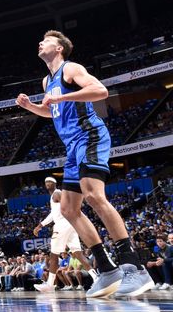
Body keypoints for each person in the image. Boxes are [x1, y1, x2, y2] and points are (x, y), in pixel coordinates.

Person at [15, 30, 154, 298]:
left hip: (89, 135)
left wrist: (62, 98)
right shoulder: (47, 81)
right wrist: (31, 106)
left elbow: (100, 91)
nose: (40, 42)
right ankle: (107, 268)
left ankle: (134, 268)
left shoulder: (71, 68)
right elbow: (51, 111)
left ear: (59, 49)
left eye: (47, 40)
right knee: (67, 208)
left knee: (93, 196)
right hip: (72, 147)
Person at [32, 176, 97, 292]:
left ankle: (50, 284)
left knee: (53, 255)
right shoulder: (53, 197)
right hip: (70, 225)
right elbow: (53, 215)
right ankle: (96, 278)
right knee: (78, 254)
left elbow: (68, 203)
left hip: (62, 225)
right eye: (46, 181)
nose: (47, 183)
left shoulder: (57, 193)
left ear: (55, 183)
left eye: (50, 182)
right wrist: (40, 225)